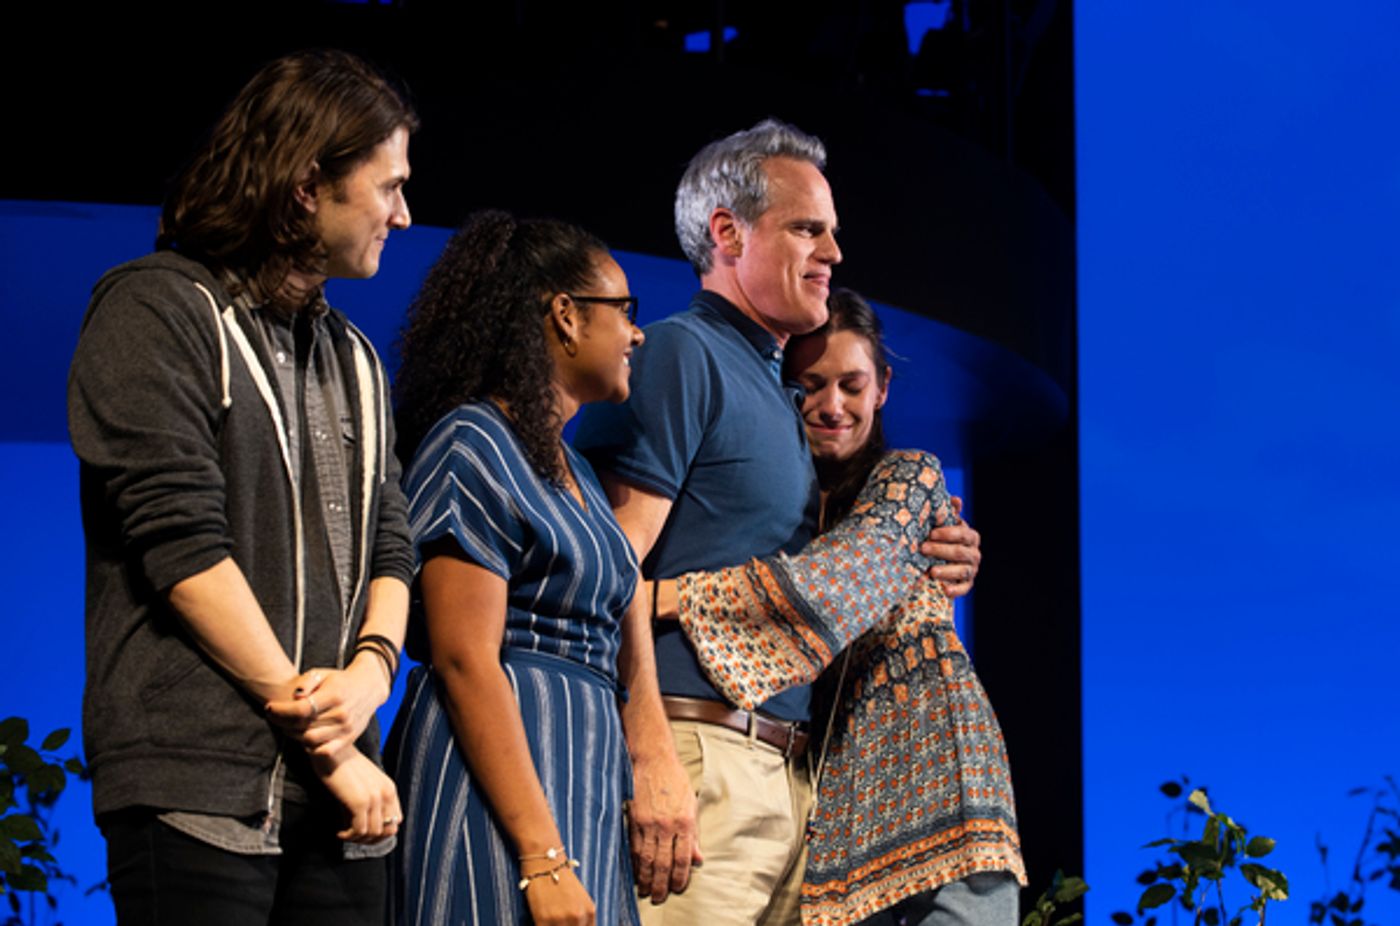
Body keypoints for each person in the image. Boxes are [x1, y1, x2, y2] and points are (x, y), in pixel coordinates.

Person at [573, 120, 983, 925]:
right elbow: (608, 568)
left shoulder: (775, 391)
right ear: (727, 232)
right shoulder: (679, 354)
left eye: (832, 232)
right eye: (807, 229)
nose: (832, 252)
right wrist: (651, 752)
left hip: (788, 786)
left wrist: (937, 550)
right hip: (700, 765)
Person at [67, 49, 418, 924]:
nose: (404, 215)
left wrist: (370, 680)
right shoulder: (157, 310)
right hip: (199, 781)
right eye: (387, 186)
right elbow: (182, 546)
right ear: (308, 185)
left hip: (343, 801)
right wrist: (327, 740)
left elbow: (392, 543)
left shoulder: (355, 358)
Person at [660, 290, 1025, 925]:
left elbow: (830, 586)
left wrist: (657, 597)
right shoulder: (789, 512)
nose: (832, 406)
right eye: (811, 386)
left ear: (882, 387)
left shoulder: (911, 479)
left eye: (852, 386)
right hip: (842, 819)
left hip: (941, 785)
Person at [386, 210, 646, 926]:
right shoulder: (473, 442)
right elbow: (464, 656)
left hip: (581, 781)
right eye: (624, 310)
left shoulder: (581, 476)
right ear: (564, 316)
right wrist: (541, 856)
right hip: (499, 793)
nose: (636, 333)